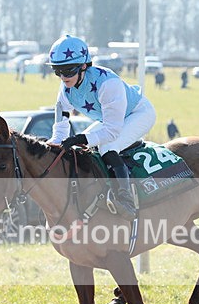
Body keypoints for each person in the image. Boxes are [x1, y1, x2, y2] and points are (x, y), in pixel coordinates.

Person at [45, 34, 156, 219]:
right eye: (58, 71)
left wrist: (81, 138)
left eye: (68, 70)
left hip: (139, 113)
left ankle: (125, 199)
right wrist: (50, 149)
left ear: (83, 66)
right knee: (82, 149)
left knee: (107, 146)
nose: (63, 77)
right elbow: (60, 132)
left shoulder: (107, 83)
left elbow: (112, 132)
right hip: (111, 120)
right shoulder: (65, 90)